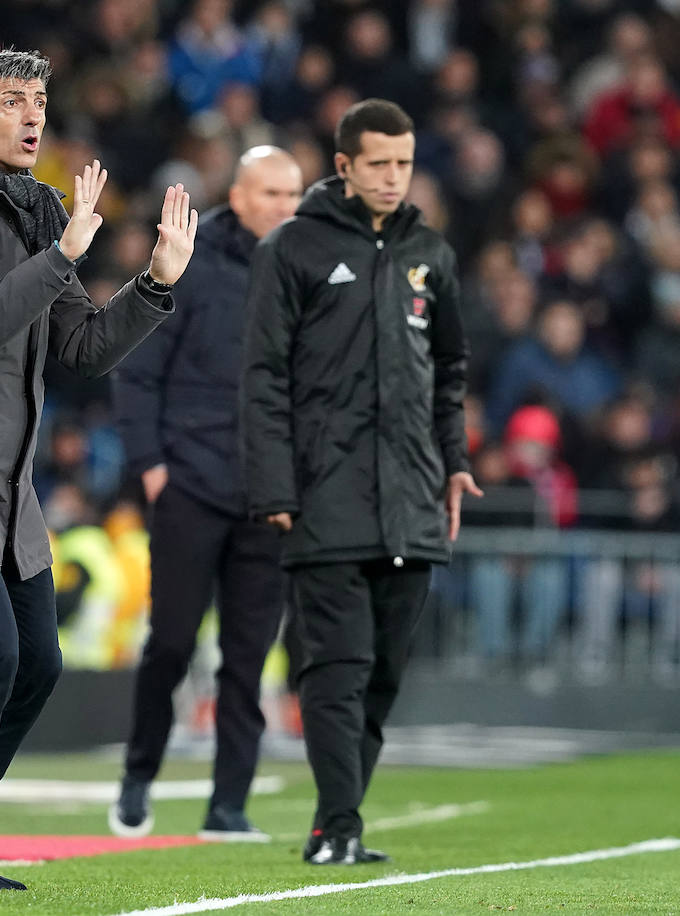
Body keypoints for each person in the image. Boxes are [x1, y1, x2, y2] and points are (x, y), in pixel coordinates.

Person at [0, 49, 197, 892]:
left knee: (39, 663)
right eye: (13, 101)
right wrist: (64, 253)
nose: (32, 117)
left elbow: (79, 348)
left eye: (41, 102)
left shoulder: (36, 207)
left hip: (4, 466)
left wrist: (153, 285)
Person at [241, 99, 481, 866]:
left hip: (412, 497)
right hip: (325, 494)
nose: (392, 177)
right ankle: (339, 825)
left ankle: (334, 823)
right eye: (379, 163)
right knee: (337, 668)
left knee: (382, 675)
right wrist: (274, 488)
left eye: (403, 164)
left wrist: (456, 463)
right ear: (344, 166)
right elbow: (263, 377)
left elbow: (450, 372)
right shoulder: (292, 249)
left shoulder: (429, 253)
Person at [109, 145, 303, 841]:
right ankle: (138, 774)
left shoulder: (307, 269)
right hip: (190, 483)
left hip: (268, 494)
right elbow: (137, 366)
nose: (287, 206)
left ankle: (229, 805)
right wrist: (150, 465)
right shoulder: (187, 256)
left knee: (248, 659)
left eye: (294, 194)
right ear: (240, 196)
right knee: (170, 643)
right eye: (274, 193)